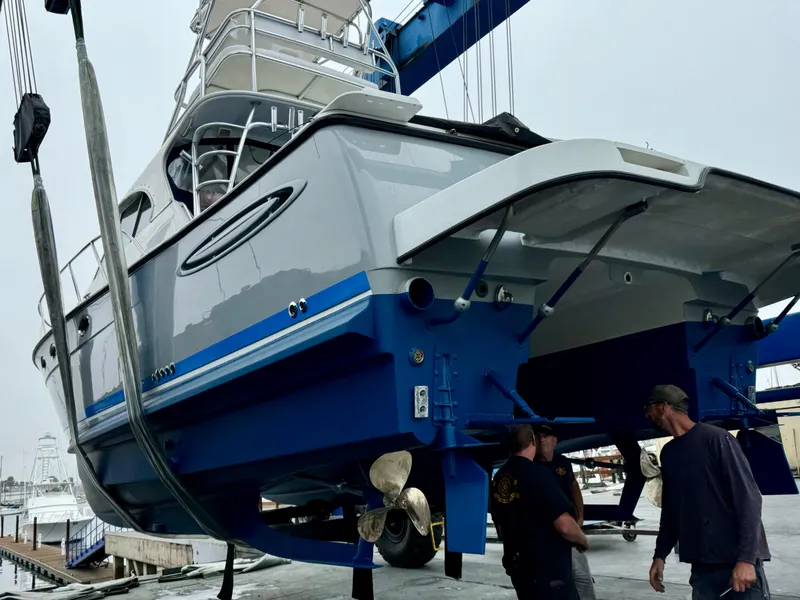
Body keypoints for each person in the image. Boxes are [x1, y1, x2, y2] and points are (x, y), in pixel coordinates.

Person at [645, 384, 771, 599]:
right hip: (702, 568)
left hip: (735, 565)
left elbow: (748, 500)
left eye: (649, 407)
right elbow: (671, 511)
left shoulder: (717, 439)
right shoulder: (669, 453)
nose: (647, 414)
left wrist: (747, 560)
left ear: (663, 407)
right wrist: (660, 555)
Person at [490, 424, 589, 599]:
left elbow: (499, 521)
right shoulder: (537, 473)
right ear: (532, 441)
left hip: (519, 566)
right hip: (547, 569)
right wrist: (582, 539)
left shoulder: (500, 477)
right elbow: (564, 526)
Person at [535, 425, 597, 600]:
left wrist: (580, 515)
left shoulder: (563, 462)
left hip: (570, 533)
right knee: (559, 585)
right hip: (549, 538)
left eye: (546, 436)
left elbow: (574, 487)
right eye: (538, 436)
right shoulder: (532, 468)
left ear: (555, 440)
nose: (542, 440)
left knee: (583, 580)